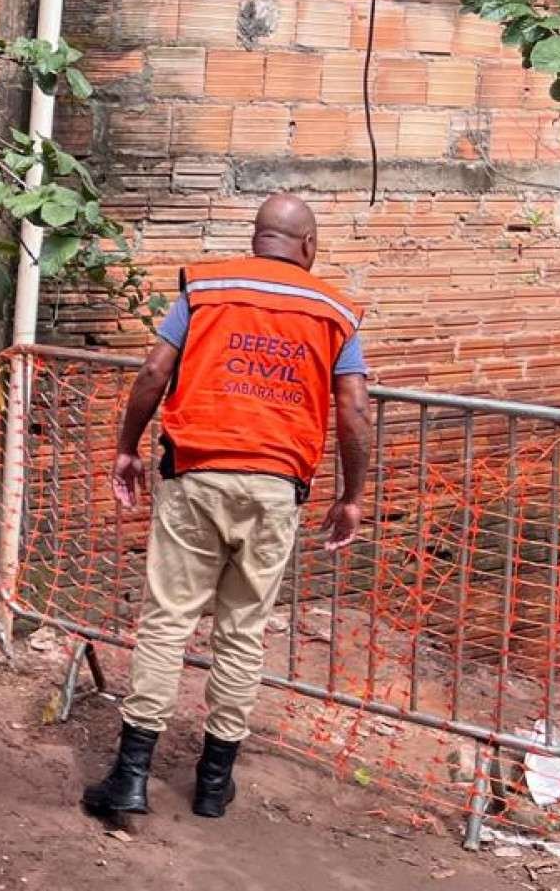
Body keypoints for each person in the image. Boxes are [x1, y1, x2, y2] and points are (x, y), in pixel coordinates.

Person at [81, 194, 373, 823]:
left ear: (257, 238)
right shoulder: (334, 310)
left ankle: (130, 779)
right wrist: (351, 497)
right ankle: (214, 784)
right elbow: (353, 409)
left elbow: (155, 371)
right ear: (310, 245)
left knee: (166, 623)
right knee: (242, 632)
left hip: (196, 475)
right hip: (276, 489)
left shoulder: (206, 286)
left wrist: (127, 448)